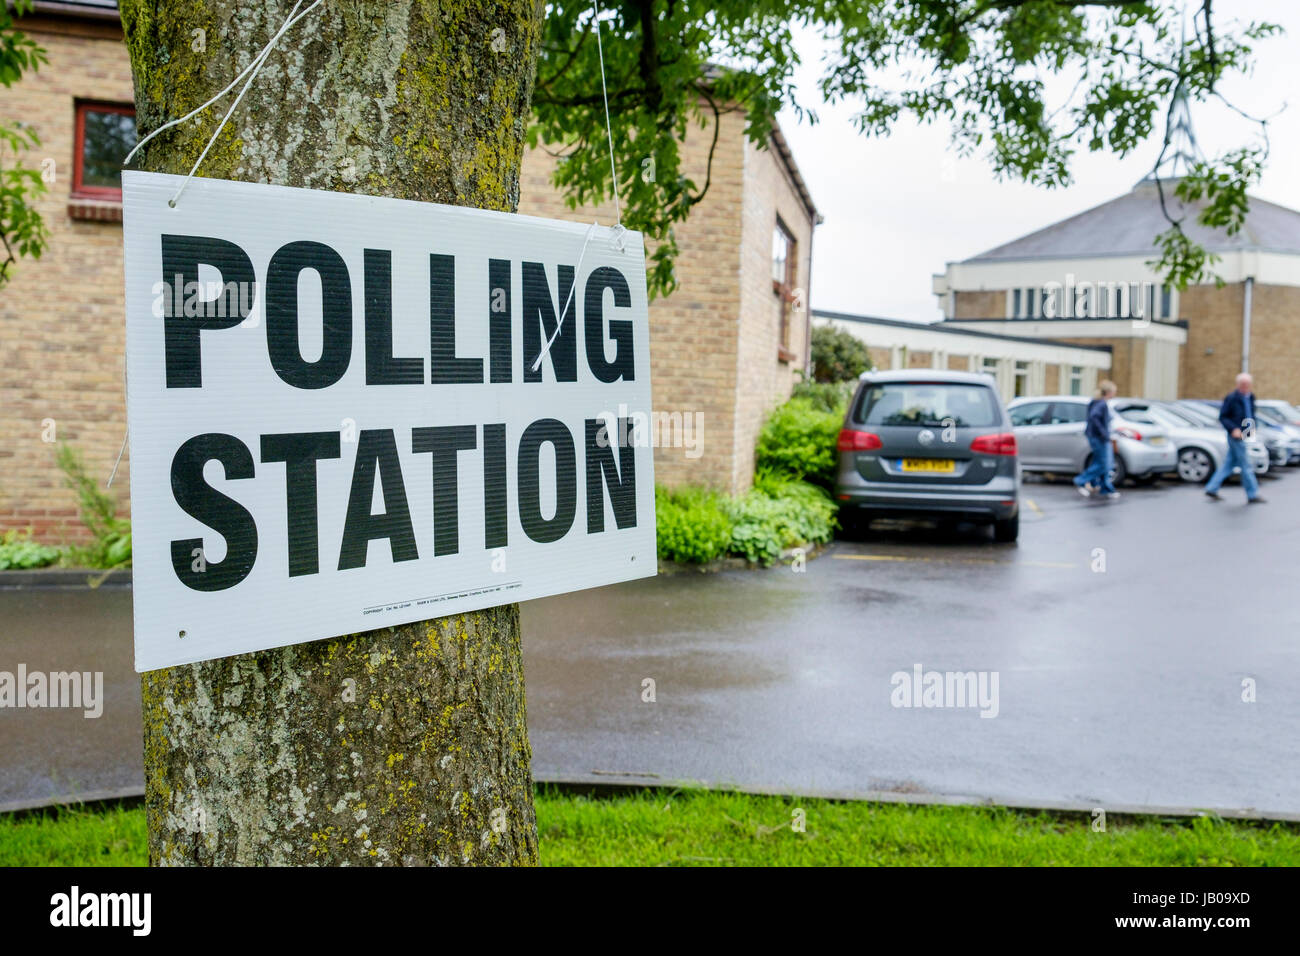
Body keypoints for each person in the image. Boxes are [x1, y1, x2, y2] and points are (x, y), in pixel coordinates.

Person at [1205, 372, 1265, 504]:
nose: (1245, 386)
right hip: (1236, 436)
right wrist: (1233, 429)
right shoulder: (1232, 398)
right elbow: (1223, 417)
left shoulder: (1250, 397)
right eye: (1242, 384)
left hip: (1247, 432)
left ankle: (1212, 488)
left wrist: (1252, 428)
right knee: (1246, 465)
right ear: (1238, 384)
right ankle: (1253, 494)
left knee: (1229, 464)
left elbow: (1251, 414)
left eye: (1247, 384)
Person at [1073, 380, 1120, 500]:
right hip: (1099, 438)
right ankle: (1081, 480)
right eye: (1114, 391)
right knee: (1104, 464)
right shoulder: (1101, 404)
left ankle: (1104, 487)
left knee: (1101, 463)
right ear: (1109, 392)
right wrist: (1104, 434)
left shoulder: (1096, 401)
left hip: (1095, 437)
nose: (1115, 394)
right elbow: (1094, 418)